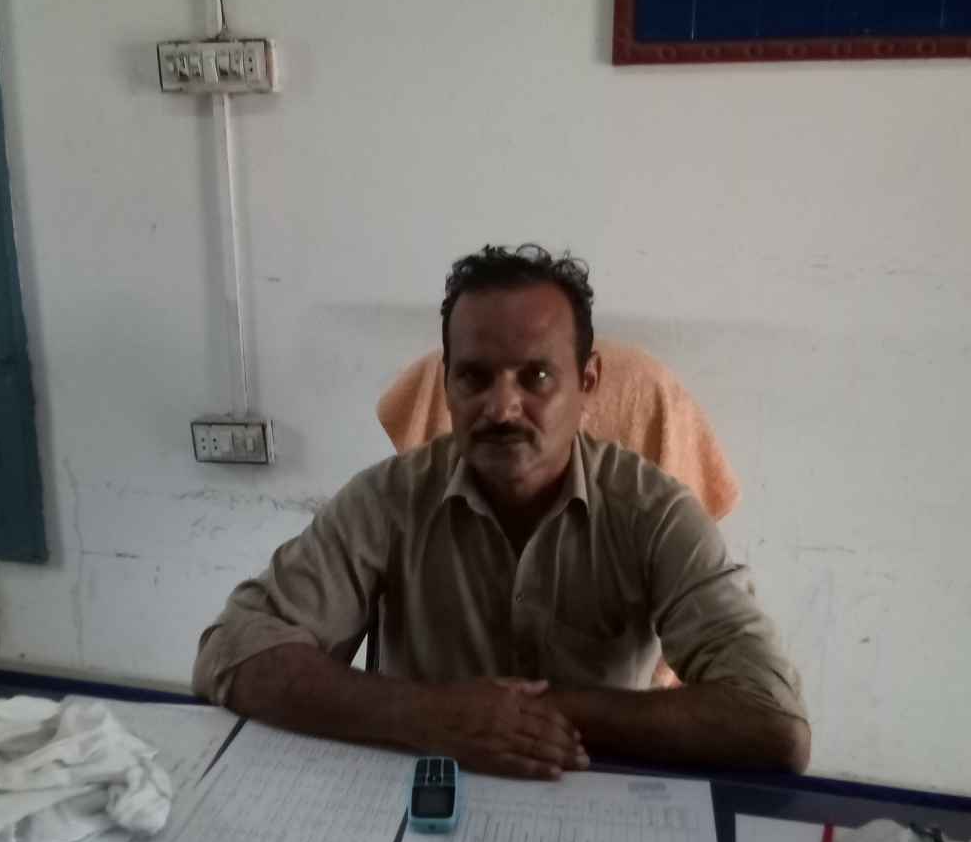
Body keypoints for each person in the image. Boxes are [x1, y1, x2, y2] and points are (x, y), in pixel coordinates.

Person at [193, 244, 808, 778]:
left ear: (588, 383)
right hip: (424, 795)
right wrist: (432, 716)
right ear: (448, 385)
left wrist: (534, 715)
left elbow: (773, 721)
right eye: (475, 378)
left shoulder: (654, 513)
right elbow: (232, 649)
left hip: (595, 804)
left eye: (536, 376)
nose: (502, 407)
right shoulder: (389, 499)